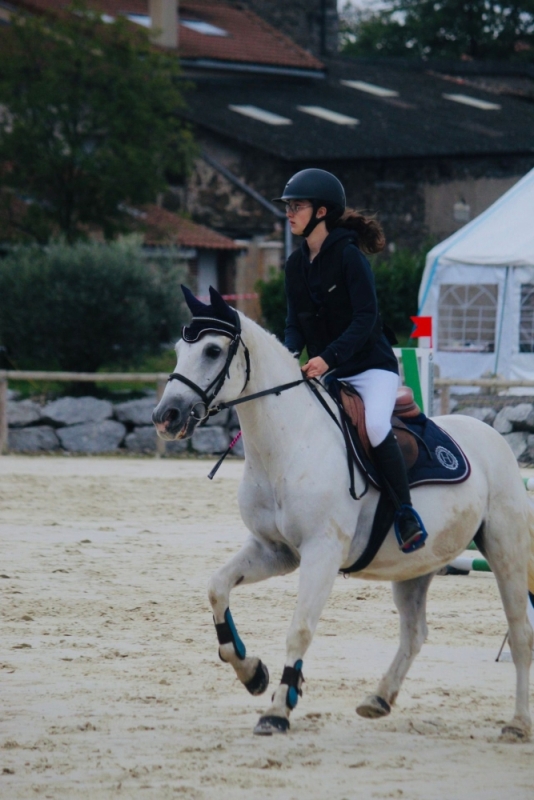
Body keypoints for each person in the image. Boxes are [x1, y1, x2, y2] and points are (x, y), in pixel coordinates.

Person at [274, 168, 426, 552]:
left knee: (375, 427)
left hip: (371, 368)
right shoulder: (295, 265)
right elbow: (295, 324)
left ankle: (406, 512)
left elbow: (365, 320)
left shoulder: (349, 257)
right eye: (288, 207)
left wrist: (327, 358)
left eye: (297, 206)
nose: (289, 213)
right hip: (334, 372)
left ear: (322, 212)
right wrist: (287, 355)